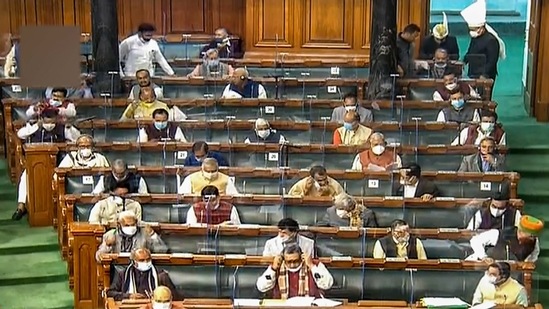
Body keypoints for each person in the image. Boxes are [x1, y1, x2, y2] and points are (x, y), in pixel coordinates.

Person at [13, 109, 81, 220]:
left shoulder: (62, 128)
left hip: (58, 162)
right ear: (42, 119)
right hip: (36, 163)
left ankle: (60, 209)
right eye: (47, 122)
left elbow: (78, 139)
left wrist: (70, 128)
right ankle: (21, 206)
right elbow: (20, 134)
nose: (50, 125)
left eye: (52, 123)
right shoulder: (35, 127)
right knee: (25, 177)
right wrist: (35, 126)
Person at [256, 243, 334, 299]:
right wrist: (273, 269)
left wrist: (311, 266)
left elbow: (327, 285)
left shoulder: (314, 264)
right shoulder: (277, 266)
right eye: (289, 262)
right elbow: (262, 287)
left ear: (302, 257)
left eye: (296, 261)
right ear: (283, 259)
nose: (292, 265)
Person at [106, 248, 179, 301]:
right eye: (141, 260)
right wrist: (129, 296)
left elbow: (174, 296)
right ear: (134, 262)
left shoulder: (161, 275)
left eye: (148, 259)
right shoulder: (123, 274)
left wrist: (159, 296)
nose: (146, 262)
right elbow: (110, 293)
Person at [461, 0, 506, 80]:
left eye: (474, 29)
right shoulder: (475, 37)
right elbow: (470, 51)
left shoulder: (491, 40)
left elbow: (492, 61)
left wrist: (485, 74)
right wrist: (463, 62)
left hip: (486, 75)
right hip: (473, 71)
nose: (472, 32)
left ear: (481, 28)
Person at [95, 212, 168, 262]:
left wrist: (153, 235)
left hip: (140, 266)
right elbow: (98, 257)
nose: (131, 227)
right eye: (127, 225)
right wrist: (107, 246)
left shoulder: (145, 233)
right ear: (119, 224)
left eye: (133, 224)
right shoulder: (110, 235)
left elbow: (163, 251)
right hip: (118, 268)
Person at [467, 215, 543, 262]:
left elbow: (533, 256)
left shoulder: (534, 242)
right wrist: (484, 257)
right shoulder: (498, 234)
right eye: (530, 236)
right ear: (521, 231)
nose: (533, 239)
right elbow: (475, 240)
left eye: (534, 237)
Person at [121, 86, 186, 121]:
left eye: (152, 97)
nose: (149, 100)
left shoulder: (163, 106)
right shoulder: (133, 106)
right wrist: (131, 110)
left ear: (155, 95)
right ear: (140, 97)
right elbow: (122, 121)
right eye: (146, 98)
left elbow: (168, 122)